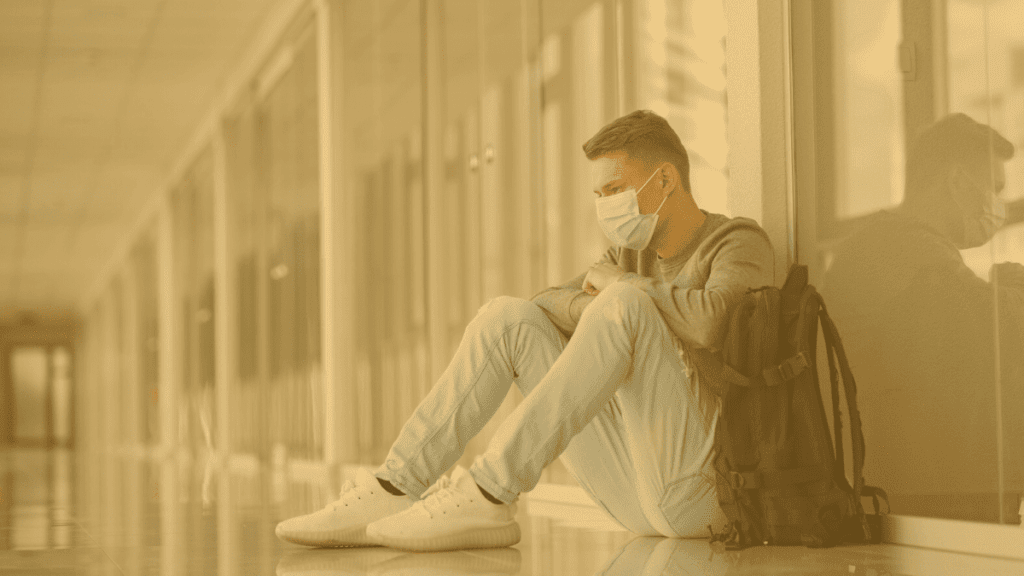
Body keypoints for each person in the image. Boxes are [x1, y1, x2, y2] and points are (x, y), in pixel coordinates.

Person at [275, 110, 775, 551]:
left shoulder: (736, 240)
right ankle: (394, 487)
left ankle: (490, 489)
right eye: (598, 194)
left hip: (708, 493)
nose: (605, 206)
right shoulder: (632, 253)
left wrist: (624, 290)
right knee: (507, 317)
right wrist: (609, 304)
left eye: (616, 190)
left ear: (665, 180)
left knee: (623, 301)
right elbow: (546, 302)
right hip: (636, 495)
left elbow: (711, 323)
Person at [822, 113, 1024, 520]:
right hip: (928, 499)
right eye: (994, 189)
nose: (998, 205)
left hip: (915, 487)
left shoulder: (893, 246)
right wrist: (1013, 282)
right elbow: (997, 331)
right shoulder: (899, 249)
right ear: (957, 182)